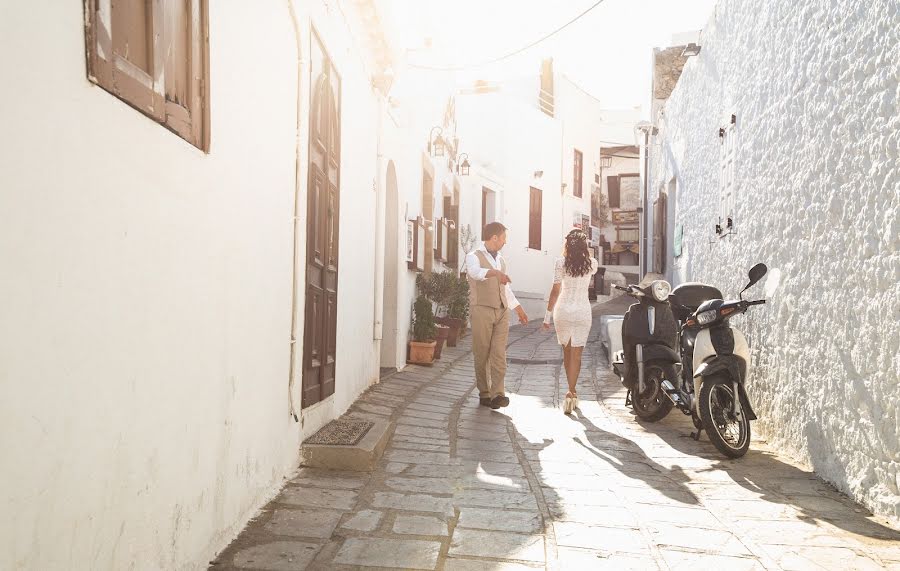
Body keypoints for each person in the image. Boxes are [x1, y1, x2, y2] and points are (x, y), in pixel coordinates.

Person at [465, 222, 529, 409]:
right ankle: (484, 392)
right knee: (482, 352)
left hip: (501, 311)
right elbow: (475, 273)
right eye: (503, 239)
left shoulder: (501, 260)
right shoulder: (473, 256)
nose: (504, 243)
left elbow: (505, 287)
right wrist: (494, 273)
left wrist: (517, 308)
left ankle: (498, 394)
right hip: (481, 309)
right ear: (494, 238)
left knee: (499, 353)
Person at [541, 229, 599, 414]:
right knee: (577, 354)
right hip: (582, 311)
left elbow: (555, 291)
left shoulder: (560, 262)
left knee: (567, 352)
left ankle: (570, 391)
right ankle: (572, 391)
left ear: (567, 244)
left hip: (563, 311)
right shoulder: (592, 264)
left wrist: (546, 316)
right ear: (584, 245)